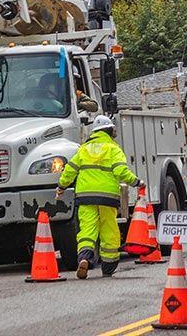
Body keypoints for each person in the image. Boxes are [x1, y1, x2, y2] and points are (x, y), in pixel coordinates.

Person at [56, 114, 144, 278]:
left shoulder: (83, 149)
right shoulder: (113, 149)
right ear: (110, 130)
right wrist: (137, 182)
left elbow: (69, 170)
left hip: (85, 196)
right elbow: (121, 171)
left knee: (87, 230)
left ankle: (85, 258)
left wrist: (61, 186)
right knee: (108, 229)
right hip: (107, 198)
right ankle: (108, 266)